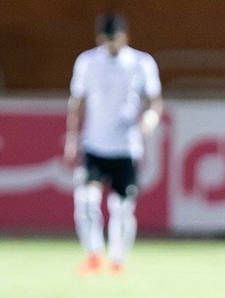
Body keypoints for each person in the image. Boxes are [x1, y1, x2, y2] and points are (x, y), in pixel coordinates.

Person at [64, 14, 163, 274]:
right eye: (106, 40)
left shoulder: (141, 63)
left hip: (125, 147)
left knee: (121, 207)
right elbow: (77, 101)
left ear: (124, 37)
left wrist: (150, 120)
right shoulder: (87, 62)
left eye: (114, 39)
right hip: (94, 144)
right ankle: (94, 254)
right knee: (86, 200)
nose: (110, 45)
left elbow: (154, 100)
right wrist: (72, 138)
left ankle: (117, 258)